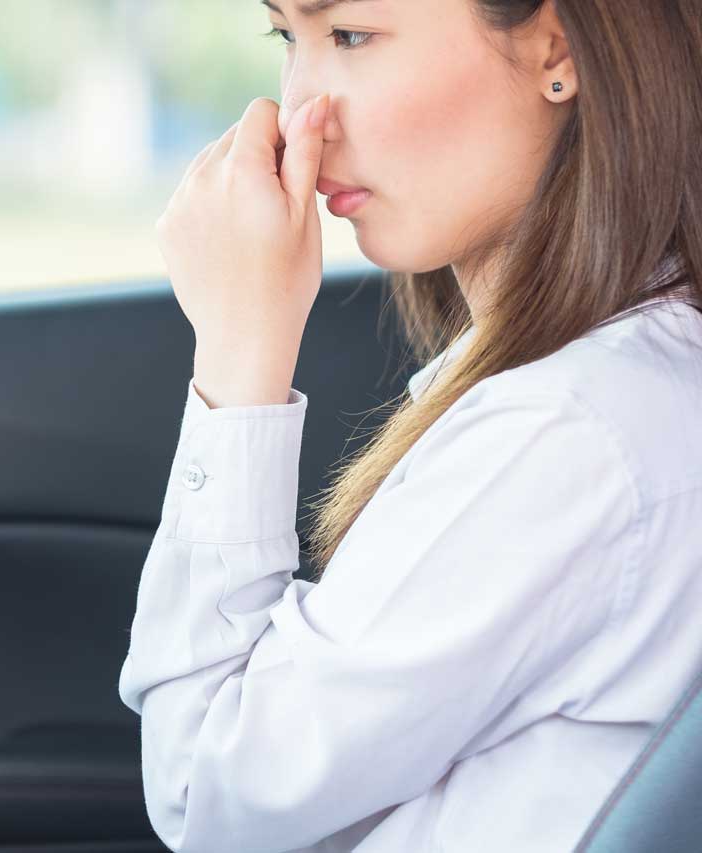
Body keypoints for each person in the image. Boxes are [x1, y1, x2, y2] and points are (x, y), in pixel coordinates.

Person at [116, 0, 702, 850]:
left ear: (557, 46)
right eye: (288, 39)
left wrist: (239, 358)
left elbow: (207, 794)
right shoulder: (626, 377)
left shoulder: (568, 433)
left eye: (350, 36)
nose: (297, 114)